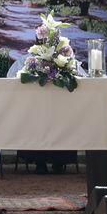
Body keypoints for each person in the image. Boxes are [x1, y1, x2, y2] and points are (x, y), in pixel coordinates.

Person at [8, 39, 82, 174]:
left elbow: (82, 78)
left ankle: (59, 162)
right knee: (35, 122)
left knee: (63, 123)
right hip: (33, 110)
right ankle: (39, 162)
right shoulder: (25, 60)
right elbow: (11, 80)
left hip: (61, 110)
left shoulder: (68, 60)